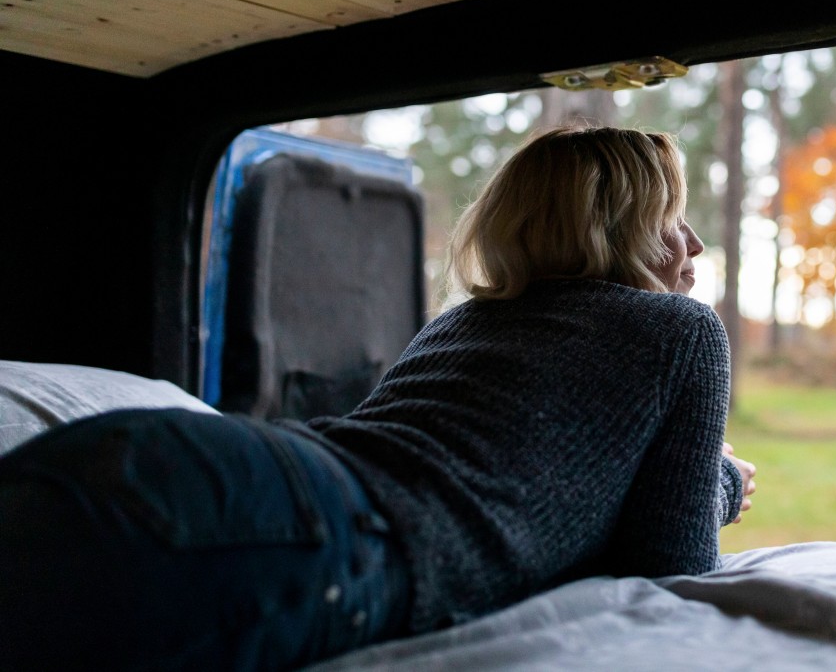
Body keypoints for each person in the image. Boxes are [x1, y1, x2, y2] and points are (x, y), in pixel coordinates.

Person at [0, 126, 757, 671]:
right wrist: (717, 481)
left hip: (170, 455)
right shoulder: (681, 328)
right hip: (304, 528)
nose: (692, 244)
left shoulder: (462, 321)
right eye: (670, 217)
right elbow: (669, 560)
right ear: (613, 225)